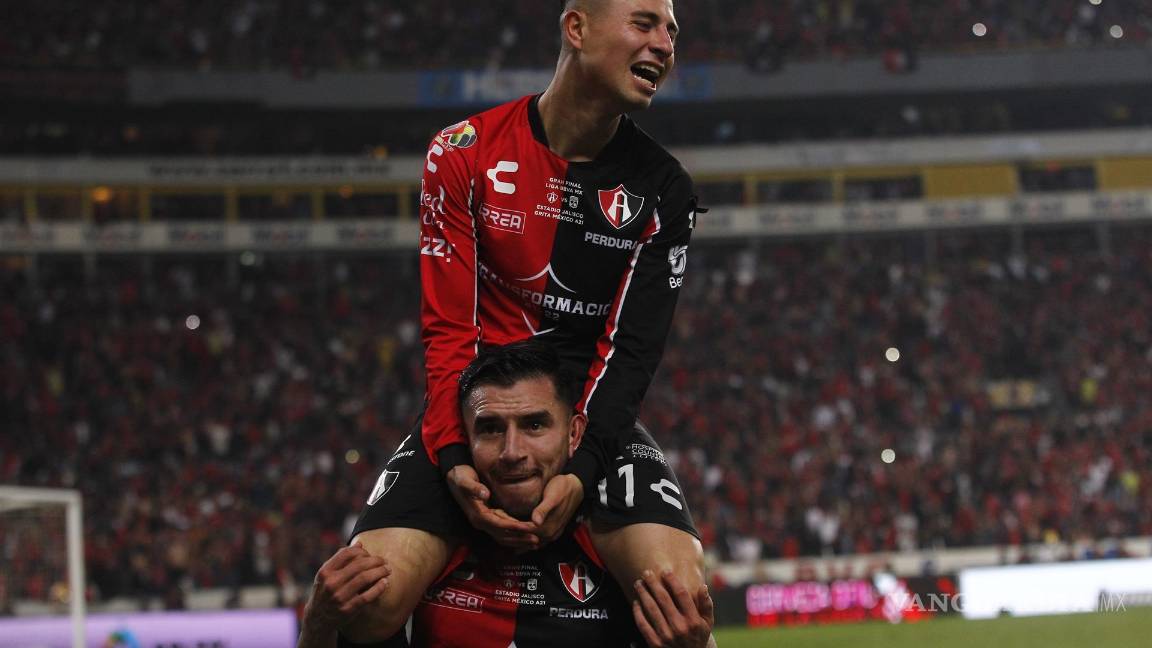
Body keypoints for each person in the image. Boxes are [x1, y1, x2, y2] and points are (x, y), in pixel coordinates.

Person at [346, 0, 704, 641]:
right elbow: (448, 331)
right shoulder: (460, 153)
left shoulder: (664, 188)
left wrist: (582, 468)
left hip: (587, 427)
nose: (665, 44)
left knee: (685, 599)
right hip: (474, 419)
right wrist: (454, 457)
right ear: (577, 28)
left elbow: (633, 353)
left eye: (672, 31)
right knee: (367, 597)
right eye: (645, 23)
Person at [300, 342, 714, 647]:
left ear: (574, 434)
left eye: (535, 425)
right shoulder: (433, 534)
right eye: (491, 429)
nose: (513, 452)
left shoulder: (616, 535)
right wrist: (317, 625)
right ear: (464, 439)